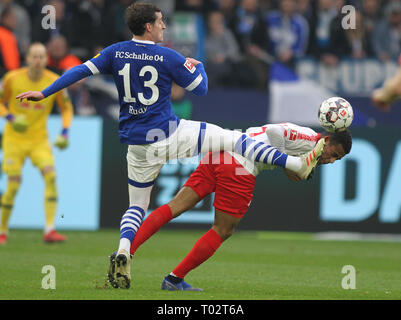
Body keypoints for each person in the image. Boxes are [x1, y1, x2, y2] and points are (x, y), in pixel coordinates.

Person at [16, 3, 324, 289]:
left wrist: (45, 93)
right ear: (148, 26)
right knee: (237, 140)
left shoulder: (115, 52)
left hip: (137, 144)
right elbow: (200, 89)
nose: (165, 27)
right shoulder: (167, 56)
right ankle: (296, 163)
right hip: (170, 135)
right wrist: (197, 66)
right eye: (161, 22)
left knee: (136, 205)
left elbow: (79, 72)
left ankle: (124, 250)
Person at [107, 123, 352, 291]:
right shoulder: (311, 139)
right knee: (223, 230)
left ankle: (125, 252)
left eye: (336, 159)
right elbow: (277, 131)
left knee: (175, 206)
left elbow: (285, 158)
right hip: (239, 165)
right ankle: (174, 279)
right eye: (334, 153)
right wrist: (289, 162)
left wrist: (292, 165)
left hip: (219, 153)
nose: (331, 159)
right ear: (327, 139)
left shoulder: (312, 150)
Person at [0, 42, 74, 244]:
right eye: (34, 56)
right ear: (27, 59)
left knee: (51, 177)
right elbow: (0, 102)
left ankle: (50, 230)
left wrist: (65, 132)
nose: (38, 60)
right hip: (14, 140)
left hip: (39, 140)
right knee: (13, 185)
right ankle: (2, 231)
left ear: (46, 59)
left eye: (42, 56)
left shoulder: (54, 81)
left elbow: (67, 108)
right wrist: (11, 119)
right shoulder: (12, 78)